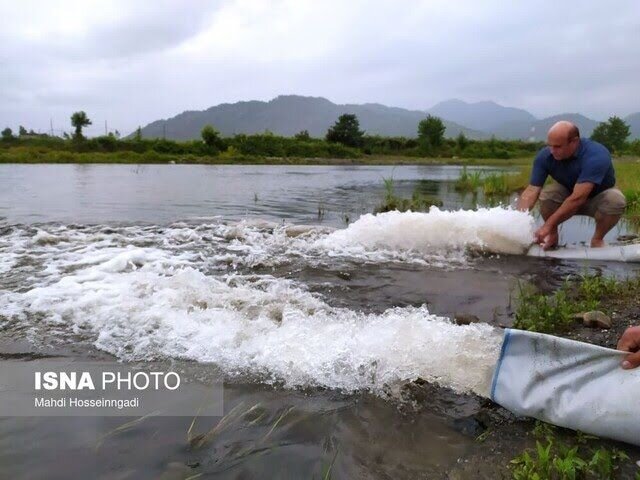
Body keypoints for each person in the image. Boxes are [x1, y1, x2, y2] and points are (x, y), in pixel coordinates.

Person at [516, 121, 626, 249]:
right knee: (548, 194)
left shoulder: (596, 155)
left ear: (574, 142)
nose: (552, 151)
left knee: (616, 200)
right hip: (568, 194)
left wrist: (546, 226)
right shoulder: (545, 156)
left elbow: (578, 198)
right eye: (550, 146)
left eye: (557, 146)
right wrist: (516, 221)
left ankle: (597, 240)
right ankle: (552, 236)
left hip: (597, 198)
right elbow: (531, 191)